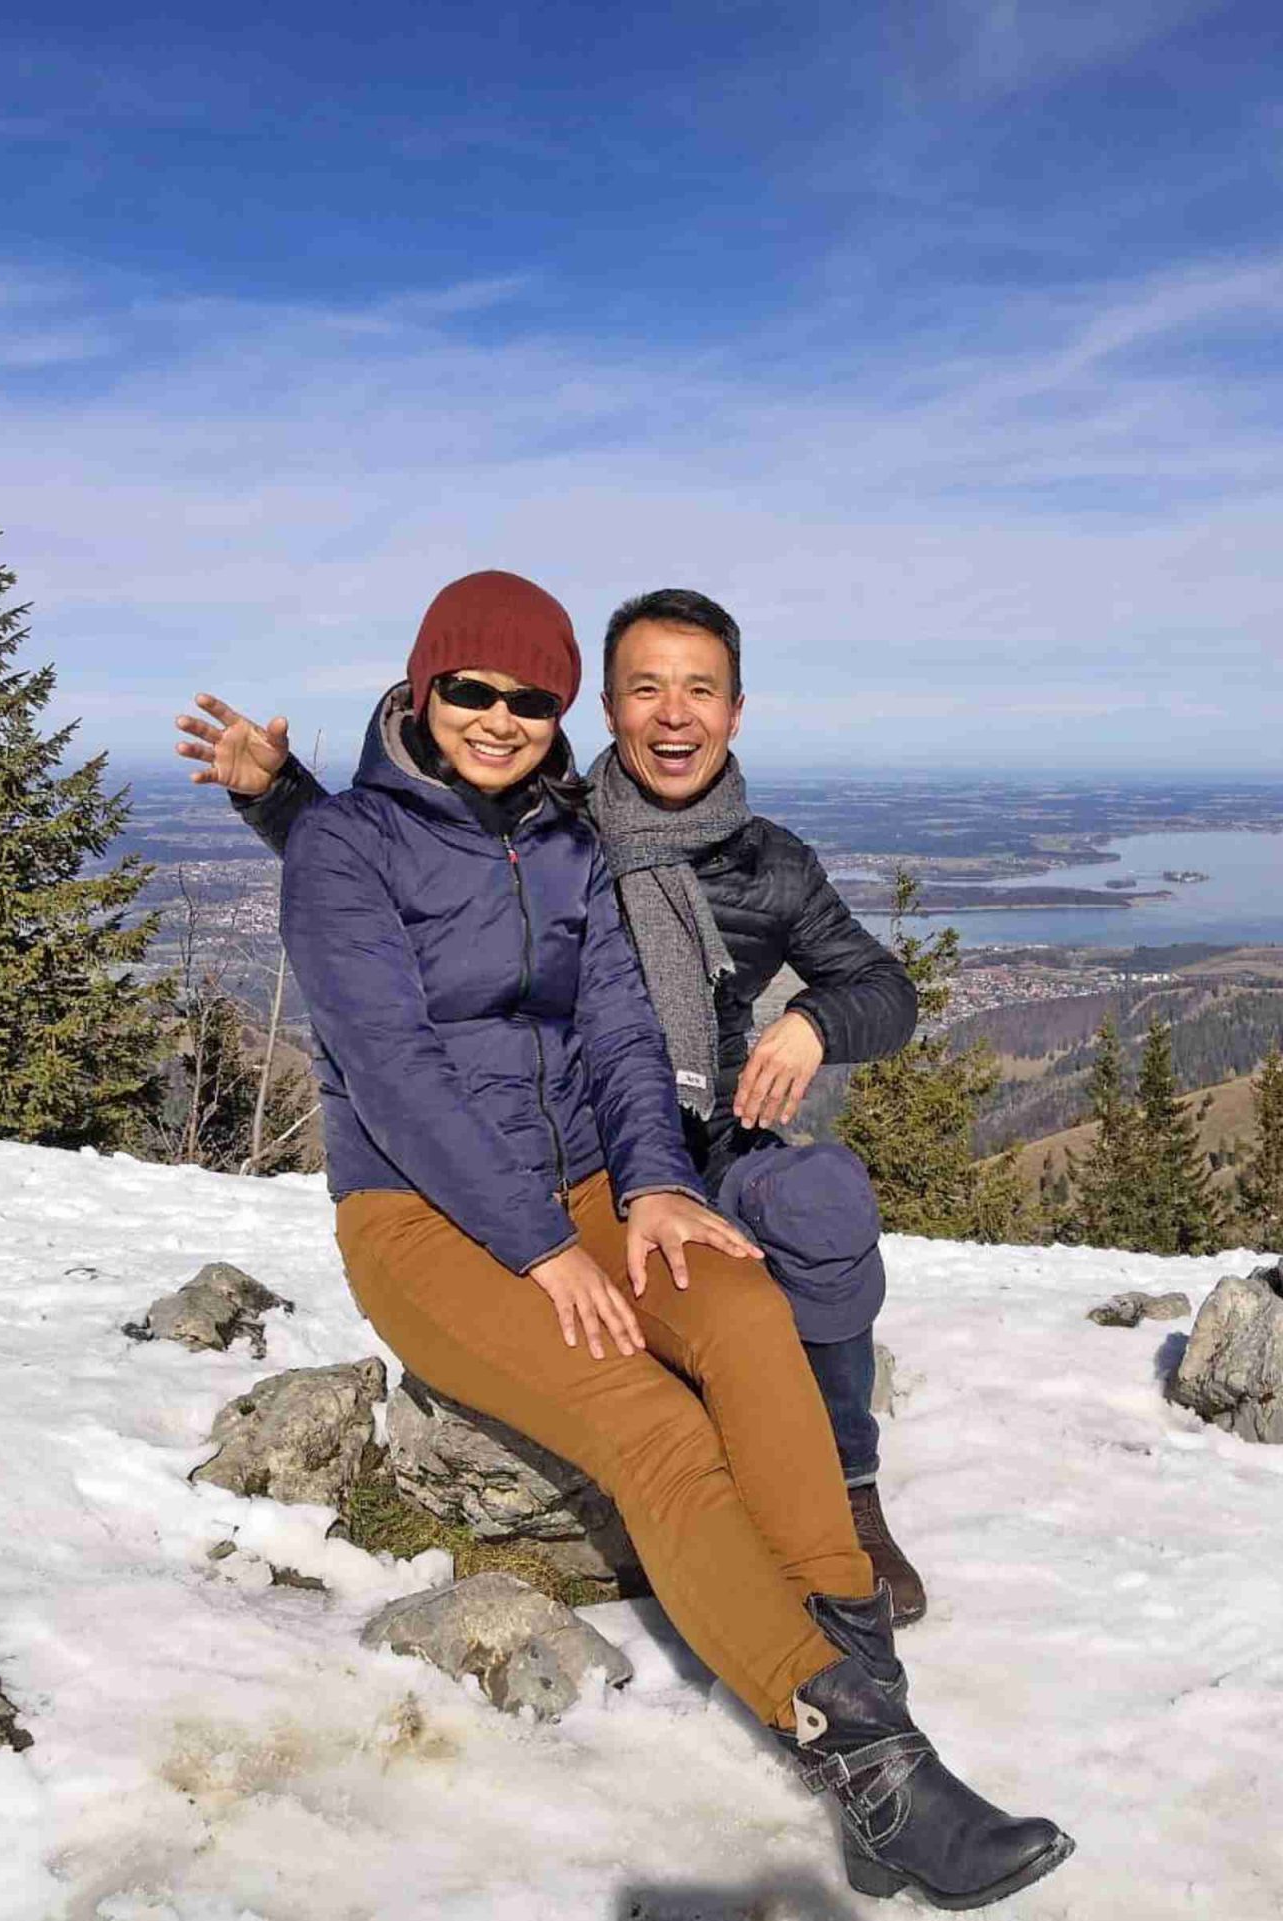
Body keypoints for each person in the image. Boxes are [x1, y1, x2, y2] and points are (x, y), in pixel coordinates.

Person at [276, 569, 1070, 1908]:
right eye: (471, 689)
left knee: (746, 1311)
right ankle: (862, 1762)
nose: (500, 717)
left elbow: (622, 1034)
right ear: (421, 687)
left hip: (593, 1184)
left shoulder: (566, 841)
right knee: (651, 1424)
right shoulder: (346, 847)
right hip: (422, 1212)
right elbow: (395, 1074)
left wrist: (651, 1185)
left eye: (531, 699)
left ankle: (866, 1690)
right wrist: (541, 1247)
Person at [177, 587, 935, 1622]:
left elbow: (889, 992)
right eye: (647, 689)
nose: (675, 714)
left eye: (700, 689)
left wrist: (814, 1019)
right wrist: (280, 797)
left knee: (822, 1195)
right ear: (609, 710)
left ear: (736, 710)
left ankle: (848, 1486)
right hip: (594, 1151)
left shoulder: (770, 865)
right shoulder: (561, 818)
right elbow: (430, 859)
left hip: (700, 1146)